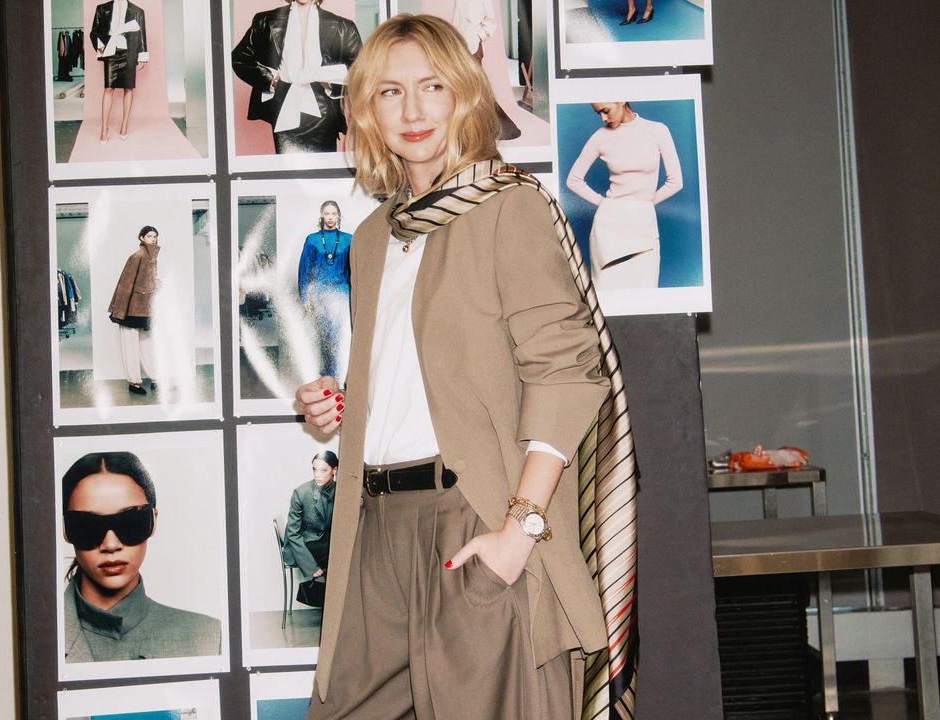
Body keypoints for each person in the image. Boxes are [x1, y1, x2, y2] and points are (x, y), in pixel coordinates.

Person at [294, 14, 637, 719]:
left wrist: (520, 531)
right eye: (390, 92)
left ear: (464, 95)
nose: (412, 111)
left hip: (472, 521)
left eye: (431, 86)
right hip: (374, 532)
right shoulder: (372, 236)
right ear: (367, 111)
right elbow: (425, 374)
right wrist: (338, 404)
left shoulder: (511, 206)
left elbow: (566, 373)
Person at [60, 451, 222, 662]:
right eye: (88, 526)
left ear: (153, 520)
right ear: (65, 529)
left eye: (130, 523)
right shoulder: (36, 634)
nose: (111, 545)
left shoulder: (209, 638)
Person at [566, 100, 683, 290]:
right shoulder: (600, 137)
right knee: (606, 293)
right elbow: (573, 180)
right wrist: (606, 204)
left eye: (605, 111)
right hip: (609, 226)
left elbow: (675, 182)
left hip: (643, 223)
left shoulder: (657, 131)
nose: (603, 118)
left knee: (645, 292)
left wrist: (644, 205)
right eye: (598, 113)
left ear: (621, 100)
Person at [231, 0, 363, 154]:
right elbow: (239, 58)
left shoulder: (343, 26)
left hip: (323, 110)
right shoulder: (265, 20)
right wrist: (270, 79)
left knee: (322, 166)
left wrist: (331, 83)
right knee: (288, 165)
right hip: (285, 106)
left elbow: (362, 73)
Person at [449, 0, 521, 140]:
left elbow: (491, 22)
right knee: (467, 86)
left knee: (477, 87)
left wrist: (478, 36)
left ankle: (502, 127)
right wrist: (453, 42)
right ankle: (472, 127)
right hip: (460, 45)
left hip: (474, 45)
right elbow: (456, 20)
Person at [297, 201, 352, 381]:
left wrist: (355, 297)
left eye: (333, 214)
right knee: (324, 336)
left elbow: (354, 270)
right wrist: (305, 297)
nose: (330, 217)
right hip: (319, 295)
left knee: (339, 336)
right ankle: (327, 376)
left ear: (338, 215)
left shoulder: (348, 239)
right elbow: (304, 269)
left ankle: (340, 376)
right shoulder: (312, 240)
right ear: (321, 215)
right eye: (327, 213)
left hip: (341, 294)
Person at [282, 450, 339, 607]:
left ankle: (336, 605)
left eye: (323, 470)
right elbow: (292, 534)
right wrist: (311, 567)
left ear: (335, 470)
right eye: (315, 469)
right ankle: (332, 604)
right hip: (303, 544)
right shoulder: (301, 493)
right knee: (338, 558)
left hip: (325, 544)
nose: (317, 475)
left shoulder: (341, 492)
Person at [108, 225, 160, 395]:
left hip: (145, 309)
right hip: (130, 309)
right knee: (130, 347)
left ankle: (155, 378)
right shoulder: (137, 256)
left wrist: (156, 283)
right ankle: (134, 383)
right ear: (141, 238)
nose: (153, 239)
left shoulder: (152, 257)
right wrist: (119, 311)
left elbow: (146, 281)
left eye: (155, 236)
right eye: (150, 236)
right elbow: (126, 283)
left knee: (147, 345)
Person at [90, 0, 149, 142]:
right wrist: (100, 46)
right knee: (108, 89)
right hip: (110, 52)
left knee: (128, 88)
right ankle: (104, 129)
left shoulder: (137, 11)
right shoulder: (102, 8)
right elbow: (94, 32)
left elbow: (141, 35)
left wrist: (142, 56)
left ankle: (124, 125)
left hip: (129, 53)